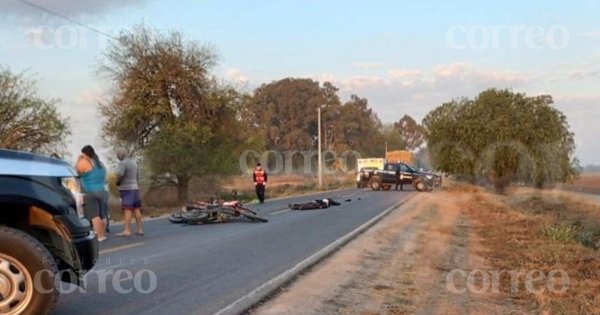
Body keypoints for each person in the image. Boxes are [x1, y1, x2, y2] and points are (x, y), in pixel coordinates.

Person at [76, 145, 107, 242]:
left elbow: (76, 172)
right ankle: (103, 234)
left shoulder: (84, 162)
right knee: (103, 215)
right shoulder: (100, 164)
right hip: (102, 190)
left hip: (90, 192)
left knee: (94, 215)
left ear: (85, 154)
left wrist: (78, 160)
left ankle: (99, 236)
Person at [115, 147, 143, 237]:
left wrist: (117, 182)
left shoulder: (122, 164)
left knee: (127, 209)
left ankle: (127, 230)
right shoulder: (134, 163)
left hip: (126, 189)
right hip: (135, 188)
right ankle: (140, 229)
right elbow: (137, 177)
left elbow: (120, 174)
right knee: (137, 208)